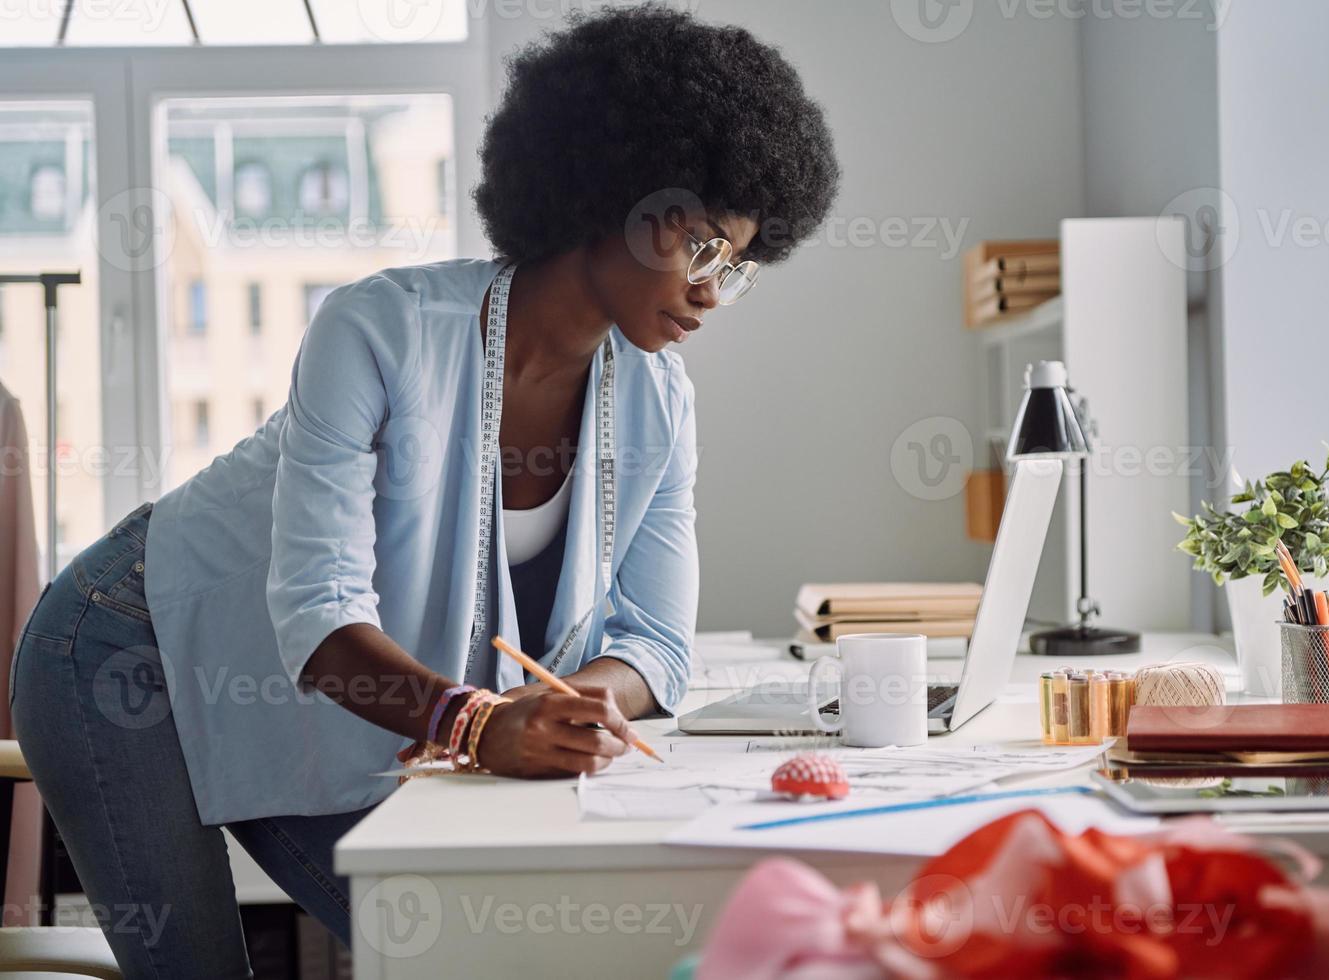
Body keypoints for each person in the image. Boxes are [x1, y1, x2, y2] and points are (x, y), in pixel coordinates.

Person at [8, 5, 840, 974]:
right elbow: (319, 614)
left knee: (469, 948)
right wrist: (481, 722)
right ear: (609, 198)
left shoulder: (656, 396)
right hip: (124, 639)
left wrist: (583, 706)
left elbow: (654, 642)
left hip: (337, 695)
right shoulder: (383, 329)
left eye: (735, 269)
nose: (710, 290)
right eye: (701, 249)